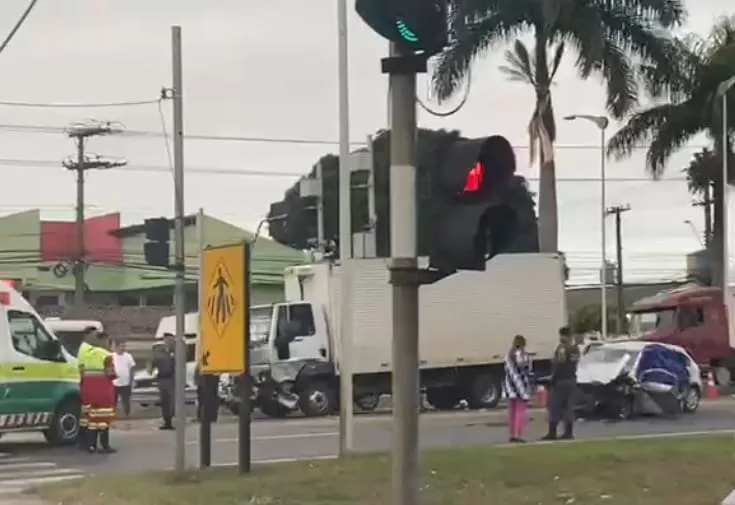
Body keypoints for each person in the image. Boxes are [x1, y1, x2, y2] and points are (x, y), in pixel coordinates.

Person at [79, 331, 117, 453]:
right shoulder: (106, 355)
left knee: (91, 419)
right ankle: (105, 445)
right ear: (104, 341)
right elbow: (110, 373)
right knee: (104, 419)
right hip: (103, 390)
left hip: (88, 390)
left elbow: (81, 370)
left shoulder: (87, 354)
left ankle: (91, 445)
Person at [542, 326, 580, 441]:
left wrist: (553, 377)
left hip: (560, 380)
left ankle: (552, 433)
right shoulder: (575, 349)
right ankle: (568, 432)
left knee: (554, 406)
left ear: (564, 336)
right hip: (571, 379)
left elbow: (559, 363)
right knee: (568, 407)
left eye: (561, 335)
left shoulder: (562, 348)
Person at [503, 334, 533, 443]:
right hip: (520, 386)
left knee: (512, 411)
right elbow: (527, 368)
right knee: (520, 411)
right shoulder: (523, 355)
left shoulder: (508, 355)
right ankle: (518, 434)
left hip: (510, 385)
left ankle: (512, 433)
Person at [151, 334, 176, 430]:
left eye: (171, 340)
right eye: (167, 340)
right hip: (163, 379)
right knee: (165, 401)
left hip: (172, 379)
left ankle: (170, 420)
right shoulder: (159, 352)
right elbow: (153, 362)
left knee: (171, 401)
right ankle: (167, 422)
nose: (169, 342)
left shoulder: (176, 351)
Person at [112, 340, 136, 419]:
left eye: (124, 346)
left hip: (125, 383)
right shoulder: (111, 356)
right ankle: (112, 415)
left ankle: (127, 415)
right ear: (116, 347)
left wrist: (131, 381)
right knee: (113, 401)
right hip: (114, 383)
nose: (123, 348)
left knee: (126, 401)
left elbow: (132, 369)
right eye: (122, 346)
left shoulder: (128, 356)